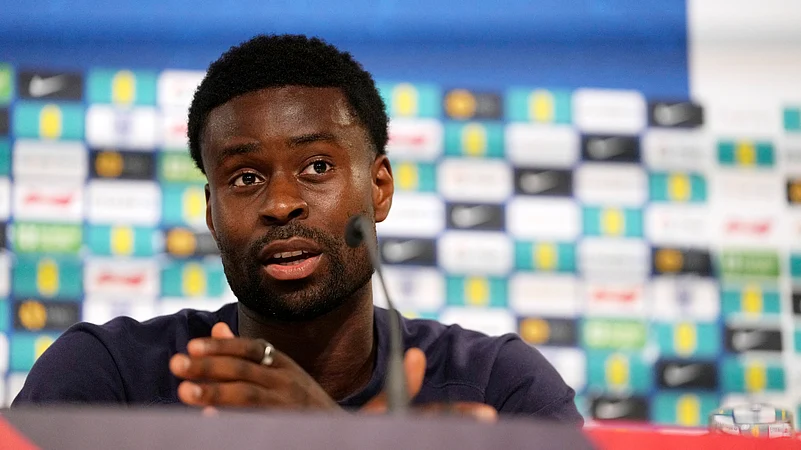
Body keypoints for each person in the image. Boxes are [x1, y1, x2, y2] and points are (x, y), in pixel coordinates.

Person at [12, 34, 583, 424]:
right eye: (245, 178)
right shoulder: (107, 379)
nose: (281, 204)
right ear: (211, 212)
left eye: (317, 167)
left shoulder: (497, 388)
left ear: (379, 188)